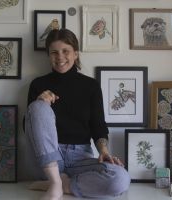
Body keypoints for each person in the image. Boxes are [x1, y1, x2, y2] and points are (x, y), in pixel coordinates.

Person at [24, 28, 130, 199]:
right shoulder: (38, 84)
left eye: (65, 51)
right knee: (38, 107)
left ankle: (60, 185)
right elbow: (27, 128)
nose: (60, 57)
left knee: (121, 178)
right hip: (47, 160)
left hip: (80, 158)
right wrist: (40, 102)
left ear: (75, 54)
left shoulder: (91, 86)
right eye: (54, 52)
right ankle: (55, 180)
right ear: (48, 55)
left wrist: (103, 151)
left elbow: (98, 125)